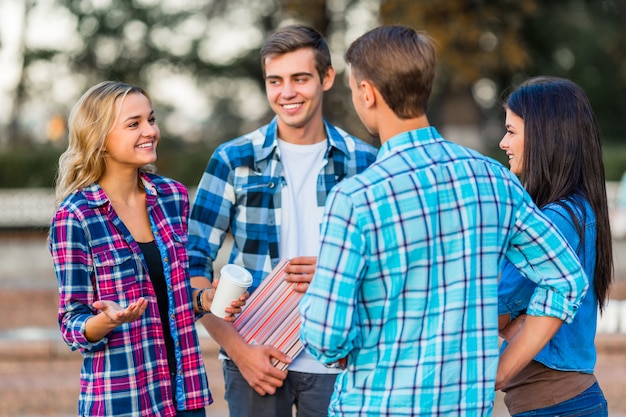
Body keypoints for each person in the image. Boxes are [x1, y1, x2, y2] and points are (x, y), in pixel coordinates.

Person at [299, 25, 589, 417]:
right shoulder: (493, 179)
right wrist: (498, 372)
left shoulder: (355, 199)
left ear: (367, 93)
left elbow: (326, 336)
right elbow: (566, 279)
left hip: (377, 405)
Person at [187, 24, 378, 417]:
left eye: (300, 78)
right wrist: (240, 354)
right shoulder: (232, 160)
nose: (287, 92)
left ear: (326, 78)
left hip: (342, 363)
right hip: (254, 359)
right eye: (275, 80)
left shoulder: (367, 163)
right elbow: (191, 267)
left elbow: (388, 267)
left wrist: (333, 274)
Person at [48, 81, 244, 417]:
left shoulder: (173, 197)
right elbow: (71, 323)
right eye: (134, 123)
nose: (150, 131)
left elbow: (171, 299)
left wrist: (203, 300)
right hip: (122, 400)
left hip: (185, 395)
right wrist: (105, 321)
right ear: (100, 138)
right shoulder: (75, 216)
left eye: (151, 120)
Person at [497, 77, 613, 416]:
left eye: (512, 131)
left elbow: (494, 306)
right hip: (565, 402)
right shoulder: (578, 210)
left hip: (555, 405)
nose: (503, 142)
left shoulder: (556, 220)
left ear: (546, 136)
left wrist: (509, 322)